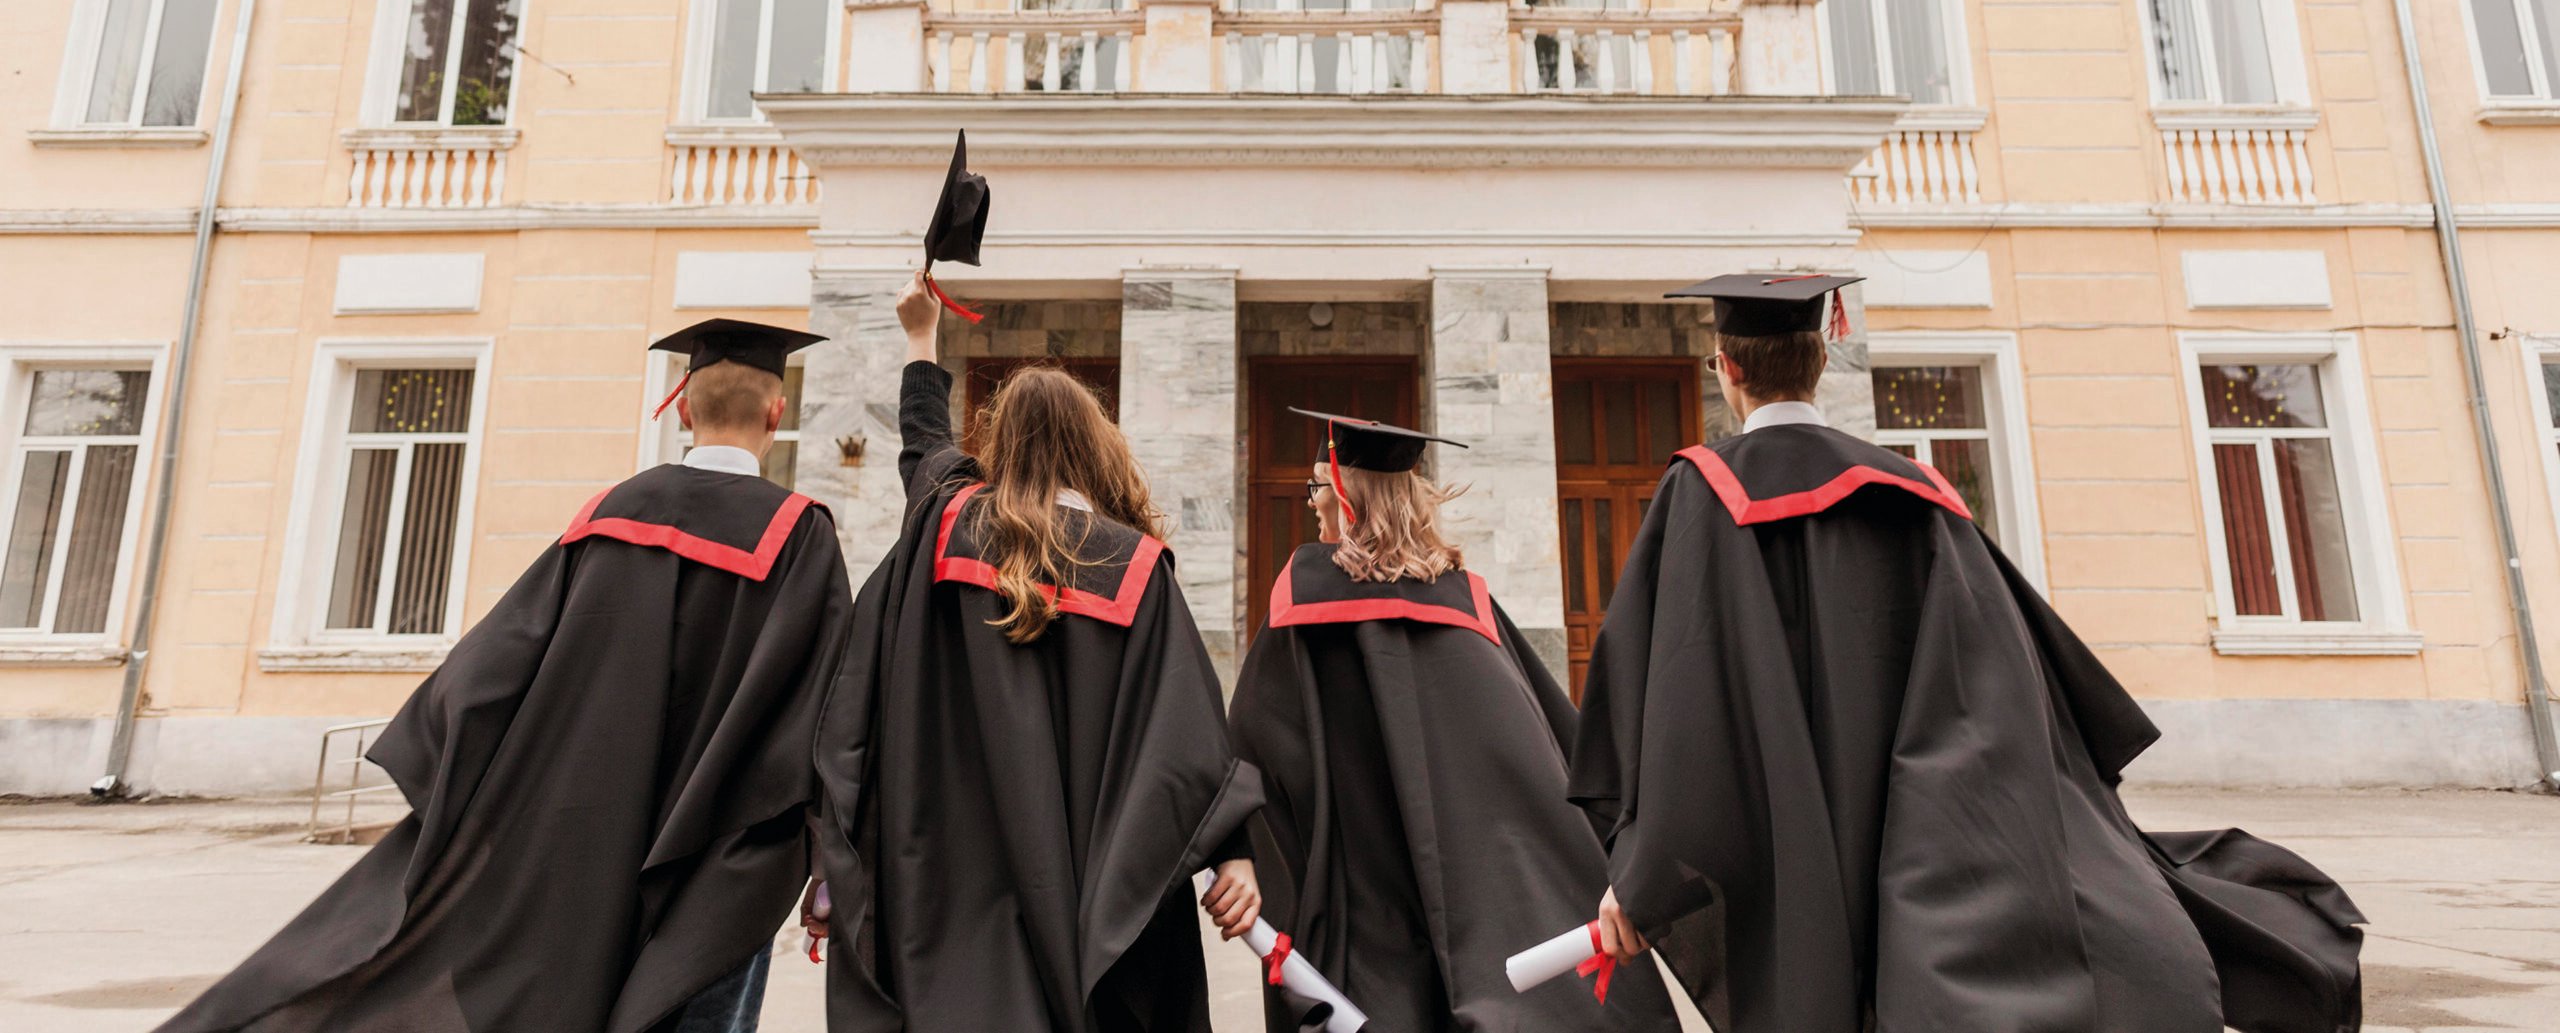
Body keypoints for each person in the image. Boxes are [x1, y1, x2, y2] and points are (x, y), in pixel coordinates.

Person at [1572, 272, 2367, 1033]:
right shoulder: (1915, 491)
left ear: (1728, 369)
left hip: (1789, 812)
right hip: (1917, 816)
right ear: (1820, 361)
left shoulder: (1701, 490)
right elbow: (2002, 661)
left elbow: (1680, 689)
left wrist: (1644, 878)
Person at [160, 319, 855, 1033]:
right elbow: (831, 711)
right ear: (778, 412)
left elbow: (496, 667)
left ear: (682, 410)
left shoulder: (608, 519)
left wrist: (452, 779)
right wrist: (830, 856)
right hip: (721, 851)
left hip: (585, 839)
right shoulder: (801, 535)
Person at [809, 270, 1265, 1032]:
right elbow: (1186, 743)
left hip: (944, 904)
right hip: (1088, 908)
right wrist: (1233, 851)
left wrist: (921, 338)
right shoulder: (1135, 568)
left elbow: (924, 444)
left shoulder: (940, 529)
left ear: (999, 445)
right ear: (1096, 447)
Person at [1228, 409, 1680, 1032]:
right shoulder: (1464, 600)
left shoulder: (1302, 603)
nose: (1311, 503)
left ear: (1347, 497)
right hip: (1478, 892)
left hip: (1358, 898)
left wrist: (1237, 850)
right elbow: (1549, 743)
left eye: (1317, 488)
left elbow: (1255, 745)